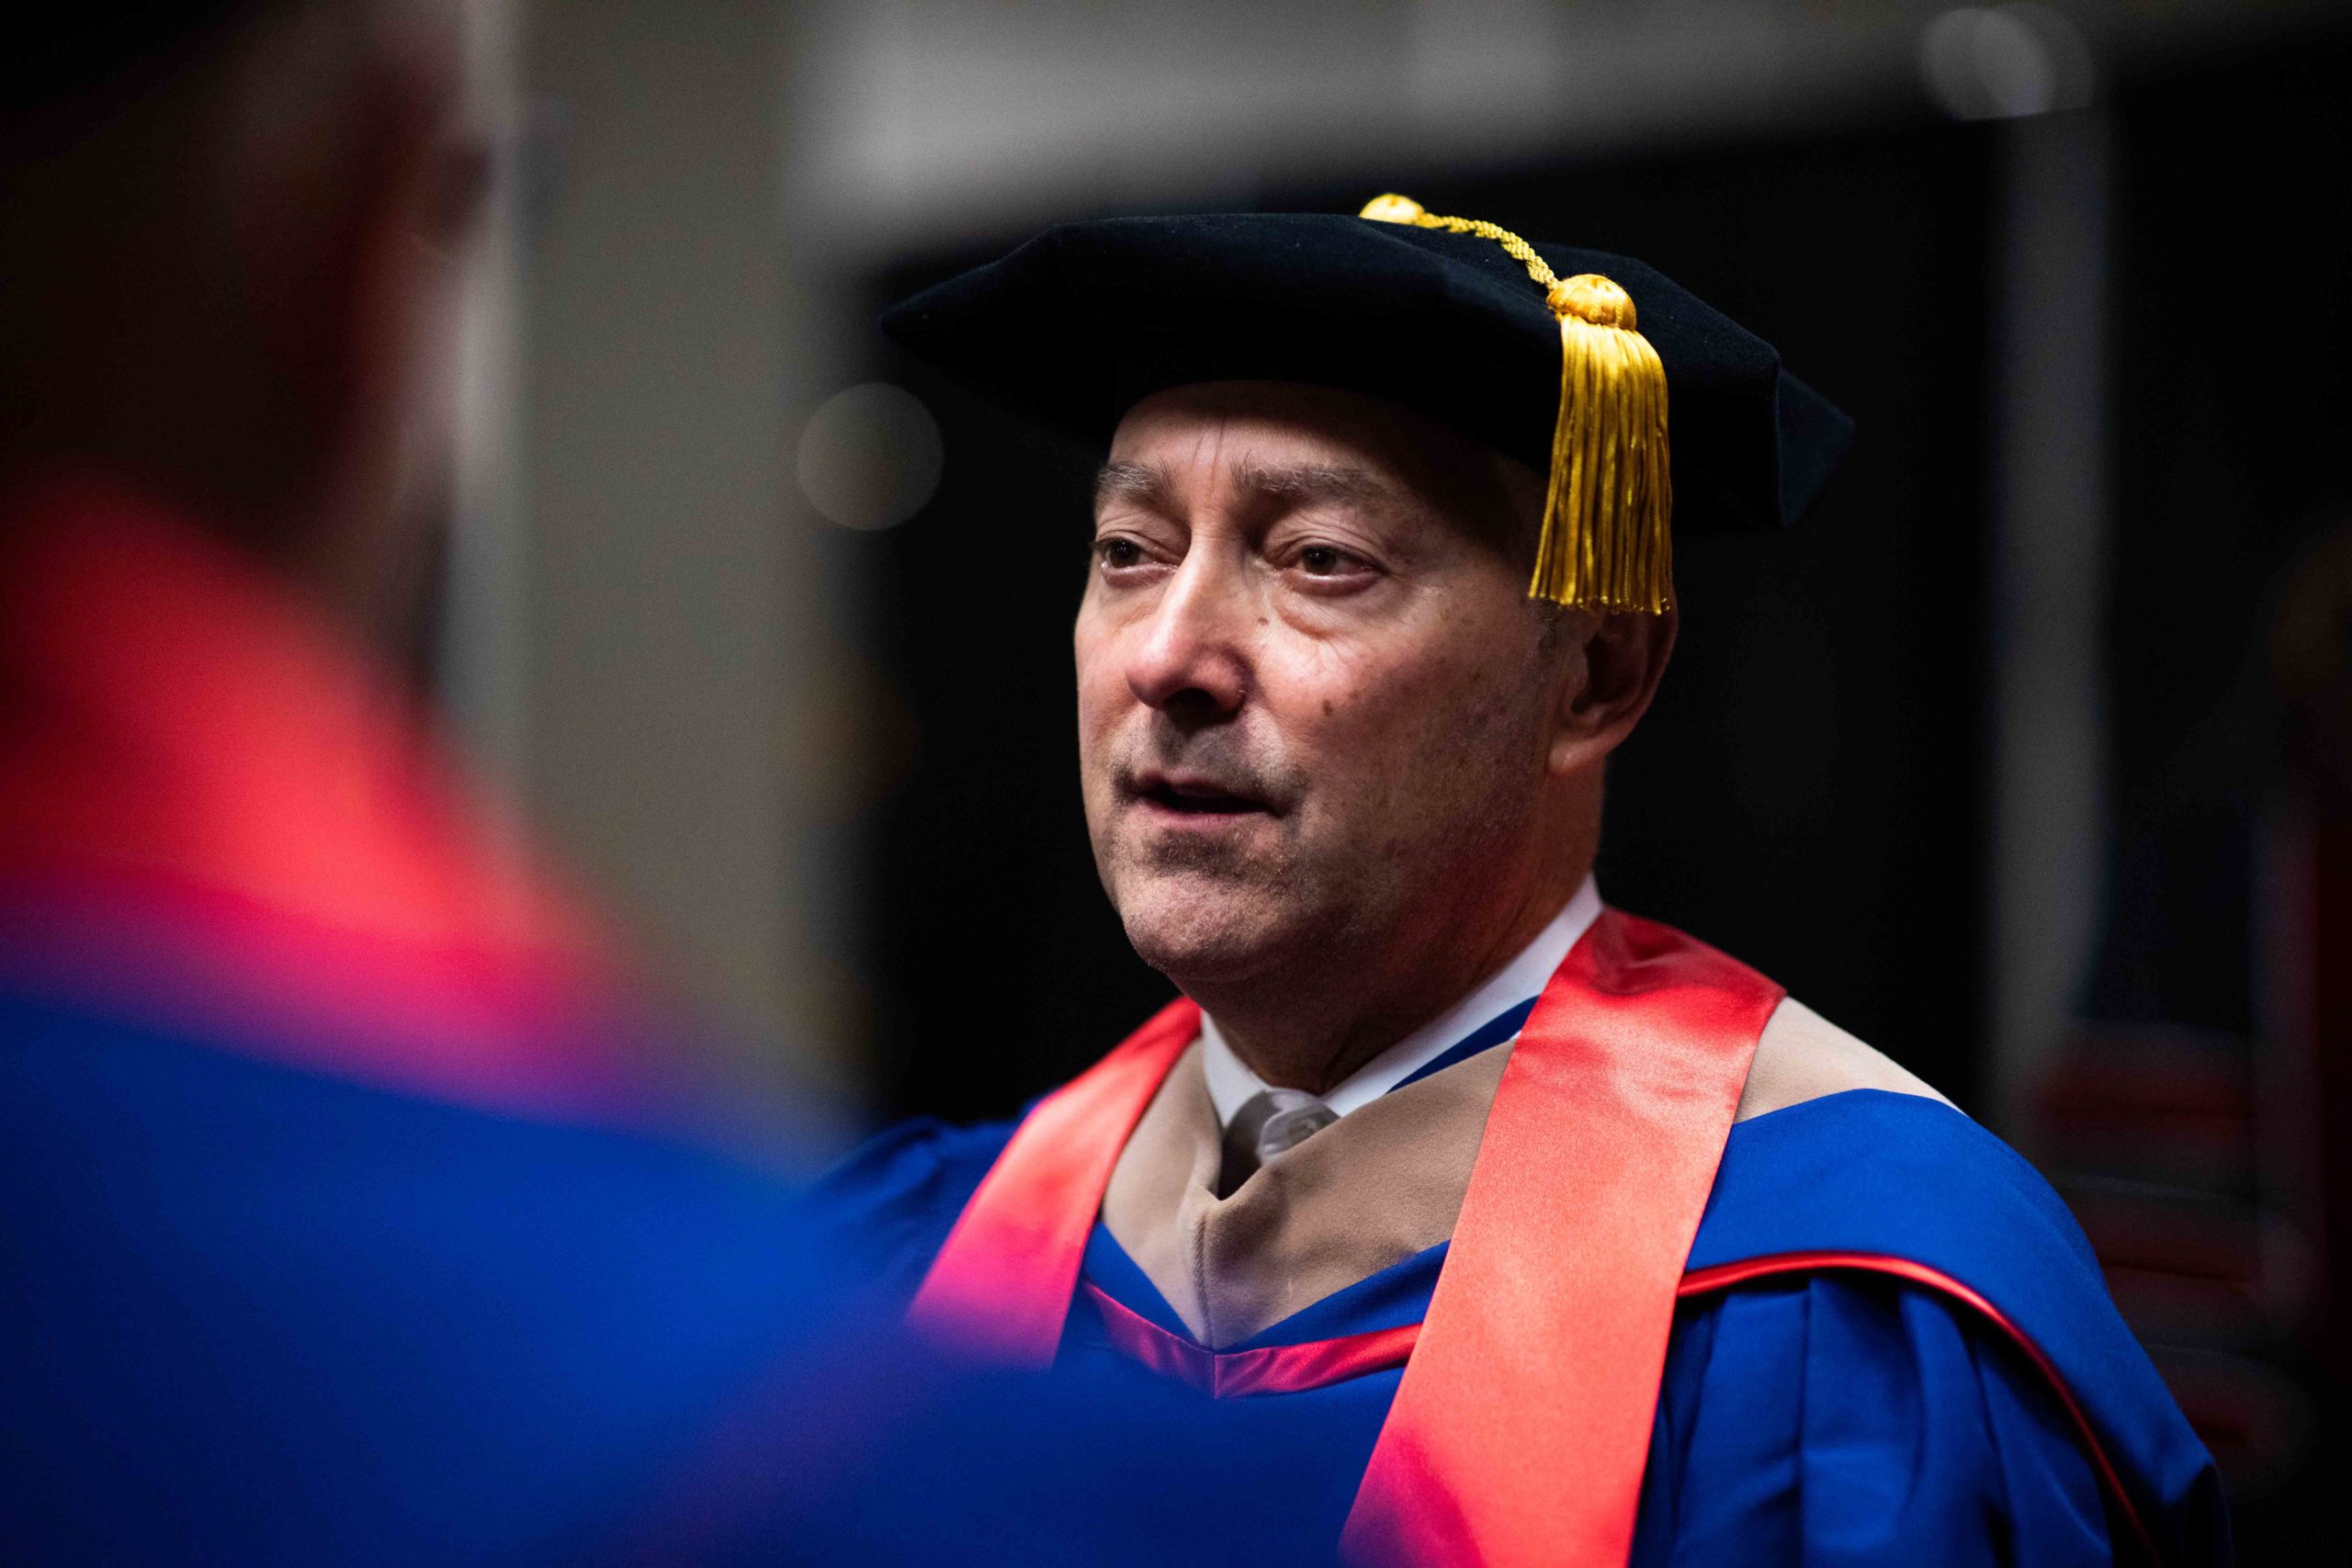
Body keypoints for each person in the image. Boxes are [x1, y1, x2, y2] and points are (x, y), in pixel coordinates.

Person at [818, 197, 2233, 1565]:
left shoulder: (1845, 1314)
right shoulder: (935, 1258)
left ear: (1597, 678)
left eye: (1320, 560)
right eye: (1131, 553)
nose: (1165, 657)